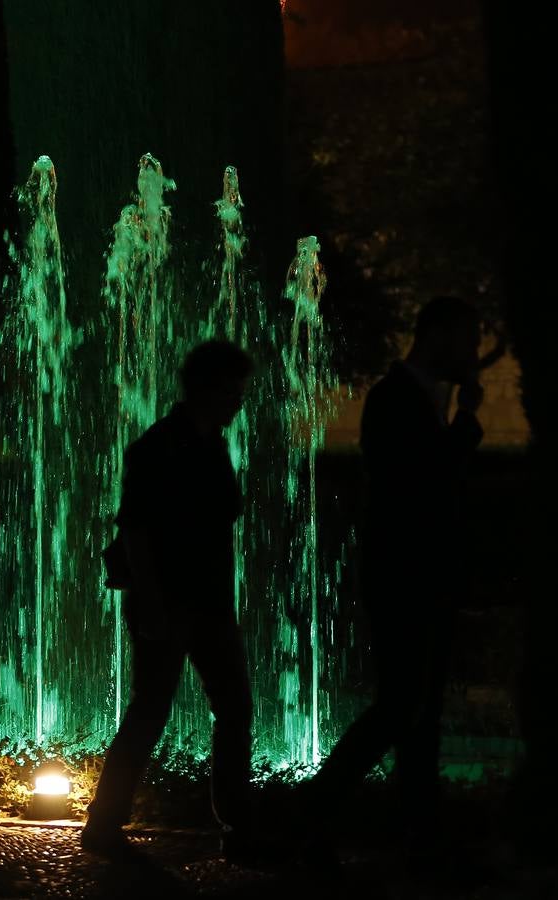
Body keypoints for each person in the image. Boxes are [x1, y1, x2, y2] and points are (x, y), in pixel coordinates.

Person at [301, 296, 485, 859]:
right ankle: (316, 810)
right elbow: (415, 484)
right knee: (402, 702)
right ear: (435, 337)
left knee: (418, 705)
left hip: (423, 574)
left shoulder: (418, 400)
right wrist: (466, 427)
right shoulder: (393, 399)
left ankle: (413, 826)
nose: (473, 354)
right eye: (466, 340)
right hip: (403, 575)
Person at [83, 341, 268, 864]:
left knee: (232, 708)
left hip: (208, 602)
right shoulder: (158, 447)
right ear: (208, 390)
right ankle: (104, 821)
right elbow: (137, 531)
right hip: (168, 601)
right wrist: (155, 607)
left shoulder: (213, 443)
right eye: (233, 390)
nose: (240, 401)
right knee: (152, 710)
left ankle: (237, 824)